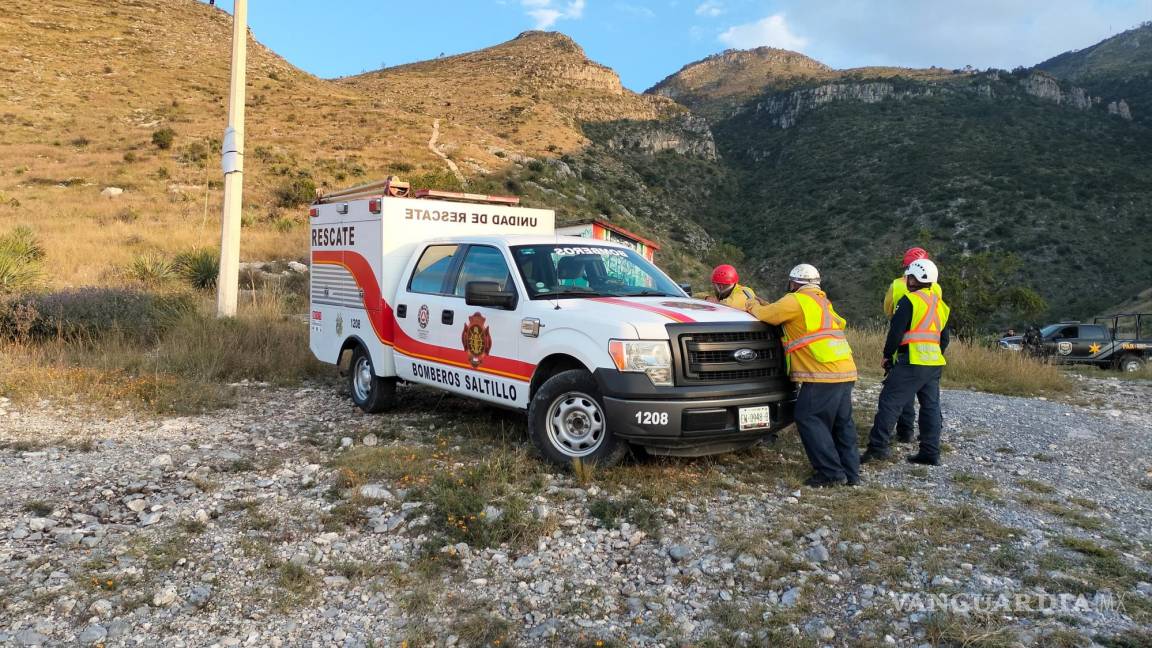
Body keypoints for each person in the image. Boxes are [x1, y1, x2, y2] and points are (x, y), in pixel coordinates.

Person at [746, 264, 860, 487]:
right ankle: (851, 473)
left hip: (821, 373)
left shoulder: (794, 300)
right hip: (845, 369)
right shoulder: (822, 302)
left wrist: (751, 303)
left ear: (793, 283)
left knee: (809, 417)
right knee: (841, 423)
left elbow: (764, 315)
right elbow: (840, 322)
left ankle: (830, 473)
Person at [862, 259, 951, 466]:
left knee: (889, 402)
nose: (907, 280)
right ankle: (930, 451)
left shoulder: (909, 301)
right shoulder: (940, 304)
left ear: (916, 278)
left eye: (909, 276)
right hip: (934, 363)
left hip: (911, 360)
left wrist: (887, 355)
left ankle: (877, 448)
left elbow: (896, 332)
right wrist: (935, 354)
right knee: (930, 407)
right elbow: (944, 338)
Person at [882, 247, 943, 444]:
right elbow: (940, 322)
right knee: (931, 403)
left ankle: (904, 432)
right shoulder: (937, 289)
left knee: (899, 394)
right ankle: (930, 445)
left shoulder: (898, 286)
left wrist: (887, 353)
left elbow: (889, 311)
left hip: (907, 346)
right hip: (933, 351)